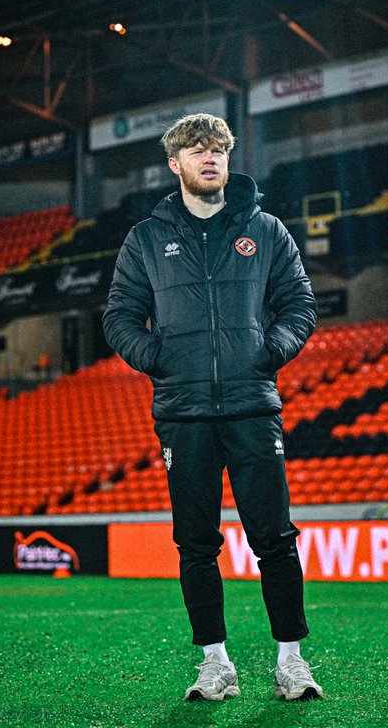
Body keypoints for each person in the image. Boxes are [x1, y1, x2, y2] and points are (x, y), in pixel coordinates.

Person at [103, 113, 323, 702]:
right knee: (196, 544)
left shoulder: (267, 230)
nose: (210, 158)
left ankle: (291, 662)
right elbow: (118, 316)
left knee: (274, 538)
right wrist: (159, 358)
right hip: (183, 410)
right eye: (196, 150)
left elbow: (300, 303)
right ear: (174, 164)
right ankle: (215, 662)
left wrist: (269, 351)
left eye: (218, 149)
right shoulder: (146, 239)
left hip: (253, 404)